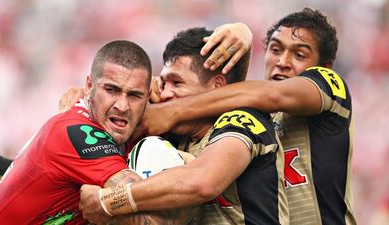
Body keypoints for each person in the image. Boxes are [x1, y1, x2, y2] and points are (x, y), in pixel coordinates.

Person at [139, 8, 356, 225]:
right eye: (275, 50)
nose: (282, 61)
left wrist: (172, 111)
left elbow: (271, 94)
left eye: (299, 55)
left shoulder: (329, 88)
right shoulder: (251, 111)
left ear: (326, 66)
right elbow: (227, 94)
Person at [80, 27, 289, 225]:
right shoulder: (178, 136)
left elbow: (202, 182)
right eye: (163, 83)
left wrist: (109, 201)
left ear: (217, 86)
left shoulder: (242, 120)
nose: (166, 93)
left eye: (177, 83)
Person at [0, 40, 191, 225]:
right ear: (89, 86)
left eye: (134, 95)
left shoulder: (118, 126)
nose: (122, 105)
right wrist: (195, 169)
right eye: (111, 90)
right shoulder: (77, 134)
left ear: (147, 96)